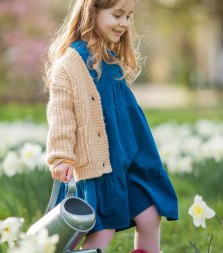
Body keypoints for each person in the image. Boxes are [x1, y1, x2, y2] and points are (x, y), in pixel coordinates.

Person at [44, 0, 178, 252]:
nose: (125, 24)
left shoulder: (109, 56)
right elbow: (60, 113)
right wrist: (60, 156)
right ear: (91, 12)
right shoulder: (70, 64)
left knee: (150, 216)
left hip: (132, 155)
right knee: (101, 230)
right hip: (101, 163)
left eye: (128, 16)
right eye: (117, 15)